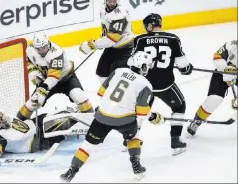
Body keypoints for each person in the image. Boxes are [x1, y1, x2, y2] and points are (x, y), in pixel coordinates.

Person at [60, 51, 166, 183]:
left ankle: (71, 172)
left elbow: (100, 93)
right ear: (144, 67)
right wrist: (154, 117)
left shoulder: (118, 71)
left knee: (87, 145)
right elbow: (142, 113)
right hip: (125, 121)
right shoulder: (145, 84)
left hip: (102, 117)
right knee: (134, 136)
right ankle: (136, 166)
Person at [131, 13, 193, 155]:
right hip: (166, 84)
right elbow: (183, 67)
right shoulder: (173, 39)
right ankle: (176, 141)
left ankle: (131, 138)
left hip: (145, 85)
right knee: (179, 106)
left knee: (139, 110)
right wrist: (188, 68)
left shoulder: (140, 40)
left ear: (150, 26)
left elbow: (132, 64)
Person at [17, 32, 94, 121]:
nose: (42, 51)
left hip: (66, 79)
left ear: (48, 43)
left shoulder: (56, 53)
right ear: (34, 47)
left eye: (44, 47)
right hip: (45, 81)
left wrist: (42, 89)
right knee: (32, 103)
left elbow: (53, 77)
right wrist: (35, 76)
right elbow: (30, 64)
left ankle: (91, 120)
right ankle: (18, 123)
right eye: (39, 48)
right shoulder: (30, 50)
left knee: (78, 95)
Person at [0, 107, 79, 166]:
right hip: (35, 141)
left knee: (51, 115)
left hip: (33, 124)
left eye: (1, 118)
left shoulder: (5, 120)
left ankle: (75, 113)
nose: (1, 121)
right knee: (59, 123)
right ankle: (78, 121)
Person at [79, 0, 134, 84]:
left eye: (114, 0)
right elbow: (106, 31)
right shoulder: (103, 9)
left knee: (119, 75)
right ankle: (108, 93)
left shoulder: (119, 14)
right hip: (112, 46)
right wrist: (100, 42)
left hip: (125, 48)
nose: (112, 3)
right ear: (105, 0)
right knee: (102, 72)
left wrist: (94, 44)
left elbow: (113, 38)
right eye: (109, 1)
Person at [187, 40, 237, 136]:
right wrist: (225, 69)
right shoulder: (232, 45)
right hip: (222, 72)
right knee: (213, 99)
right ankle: (196, 121)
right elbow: (217, 56)